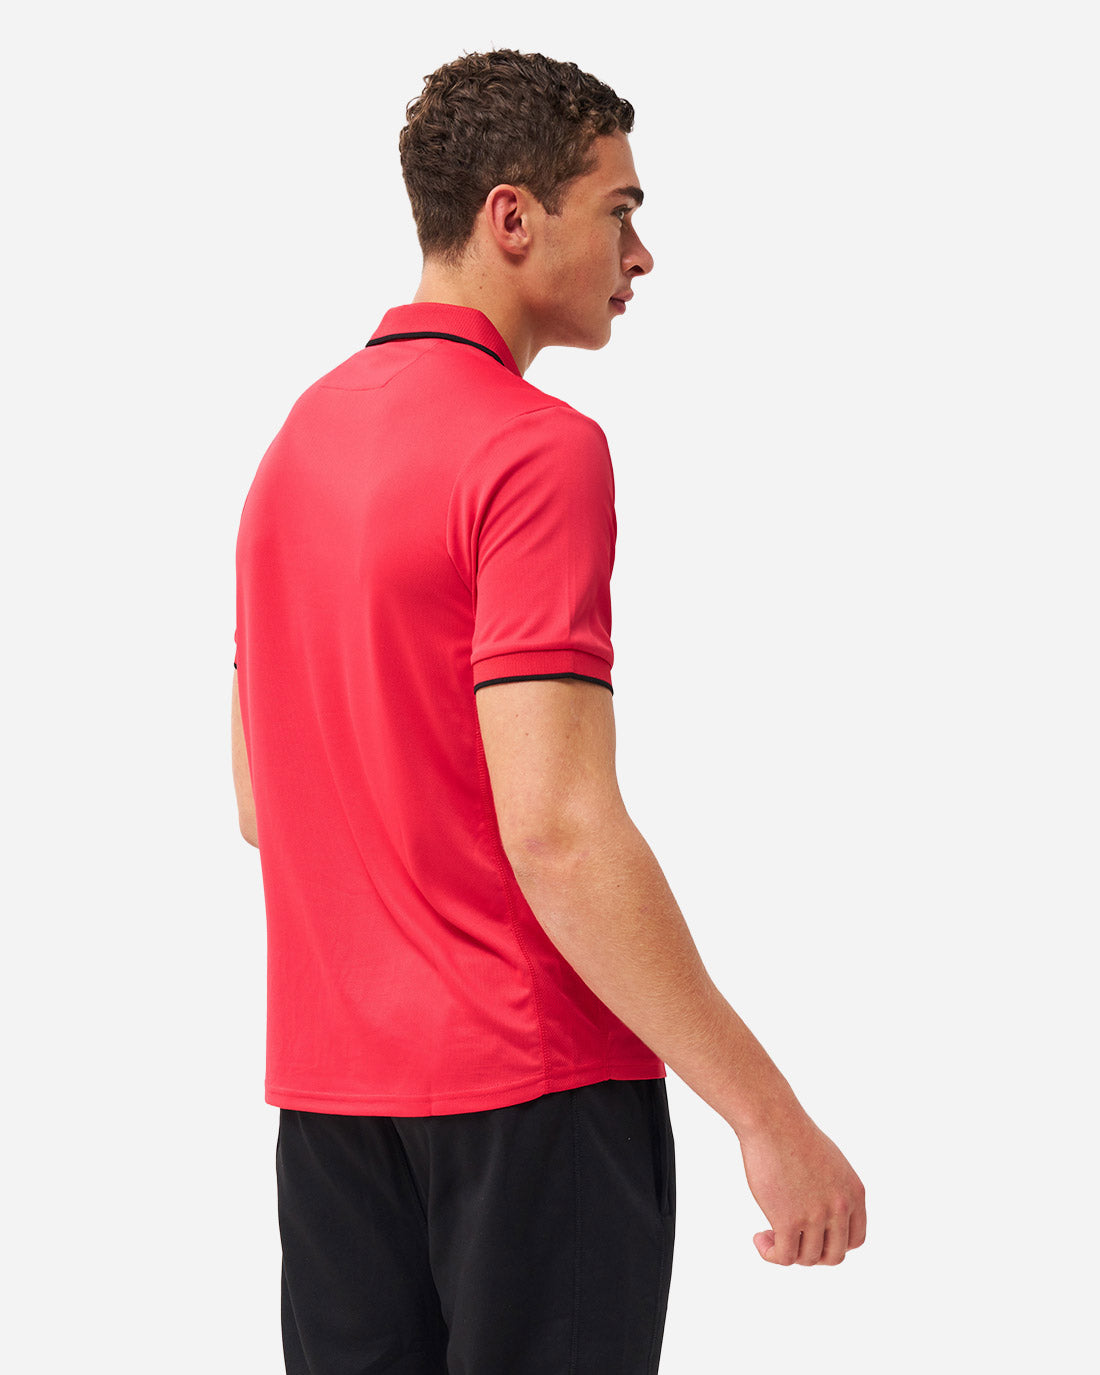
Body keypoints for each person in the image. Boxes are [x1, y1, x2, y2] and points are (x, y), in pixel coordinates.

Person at [231, 47, 865, 1375]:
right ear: (513, 218)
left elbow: (258, 801)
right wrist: (767, 1116)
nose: (642, 256)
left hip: (331, 1109)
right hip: (533, 1095)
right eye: (620, 211)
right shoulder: (533, 449)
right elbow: (560, 833)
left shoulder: (294, 445)